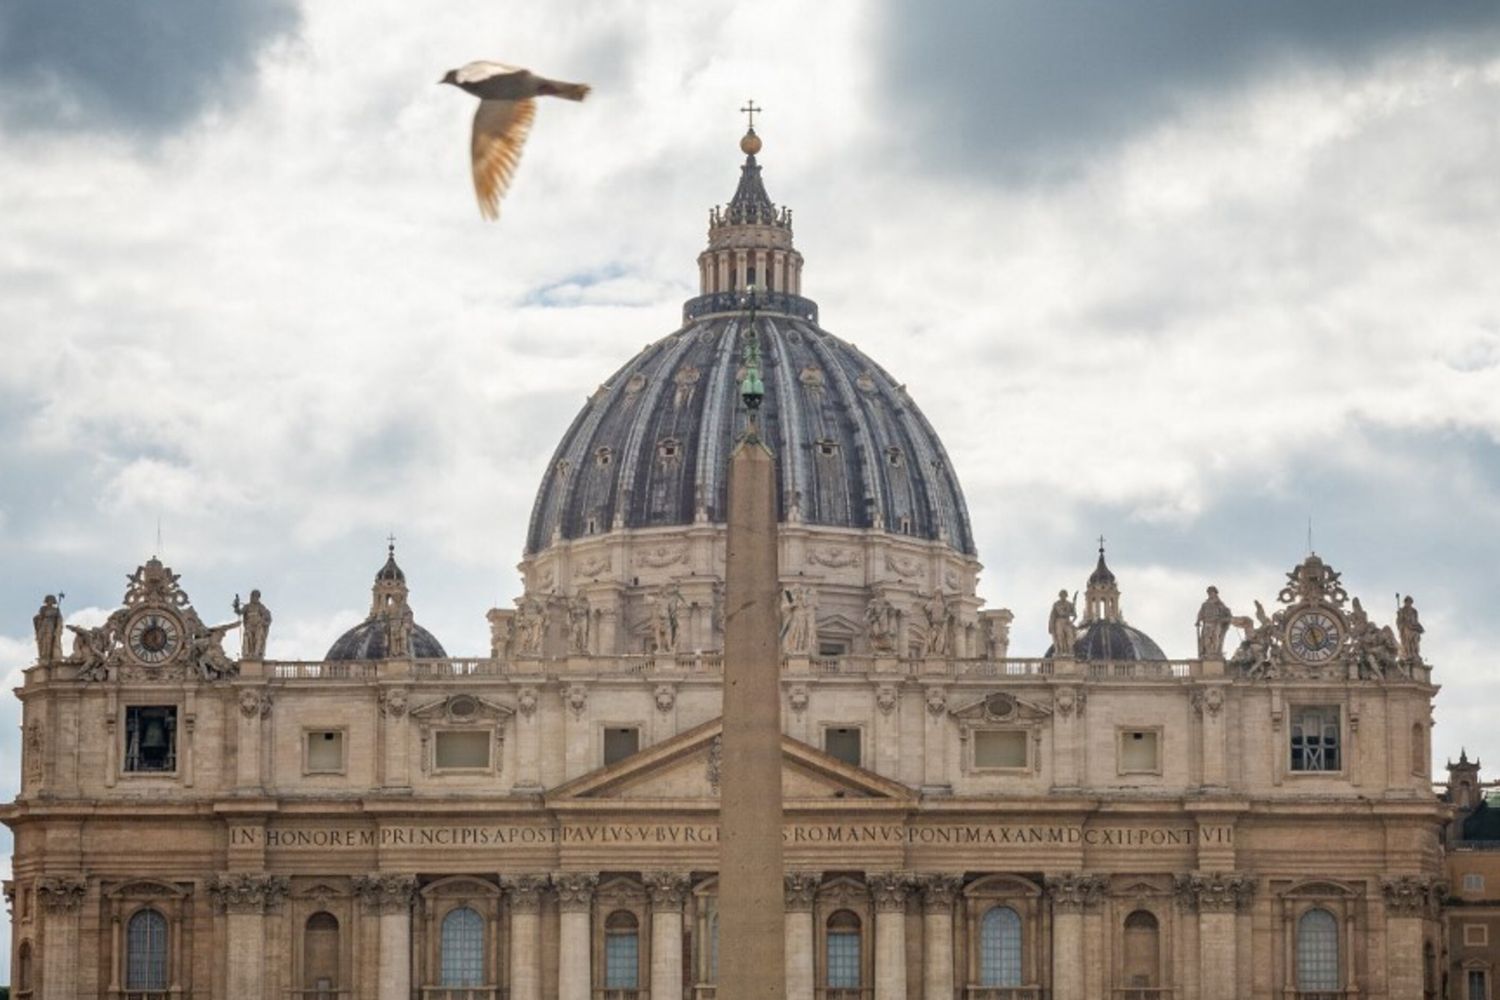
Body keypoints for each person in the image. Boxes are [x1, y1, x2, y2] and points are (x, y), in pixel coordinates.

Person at [232, 590, 273, 660]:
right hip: (249, 626)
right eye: (252, 595)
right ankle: (247, 655)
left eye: (255, 596)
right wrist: (236, 606)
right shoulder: (247, 606)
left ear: (258, 597)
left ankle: (257, 655)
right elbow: (239, 612)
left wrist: (264, 622)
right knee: (247, 639)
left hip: (258, 626)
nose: (253, 597)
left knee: (258, 639)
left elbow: (267, 618)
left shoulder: (261, 607)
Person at [1195, 586, 1233, 659]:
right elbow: (1201, 613)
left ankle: (1214, 653)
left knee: (1215, 638)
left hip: (1216, 623)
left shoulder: (1219, 603)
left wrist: (1227, 617)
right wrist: (1198, 620)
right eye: (1209, 592)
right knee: (1206, 638)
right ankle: (1208, 653)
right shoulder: (1205, 604)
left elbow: (1227, 612)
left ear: (1215, 593)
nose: (1210, 594)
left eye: (1211, 592)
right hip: (1207, 623)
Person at [33, 594, 64, 663]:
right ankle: (43, 656)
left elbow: (59, 620)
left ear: (53, 601)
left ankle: (48, 656)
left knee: (49, 640)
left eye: (51, 600)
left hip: (51, 626)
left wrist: (58, 627)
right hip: (43, 626)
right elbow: (39, 618)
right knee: (42, 641)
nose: (50, 602)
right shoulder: (43, 608)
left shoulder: (56, 610)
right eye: (49, 600)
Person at [1049, 589, 1077, 657]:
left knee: (1070, 636)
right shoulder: (1056, 604)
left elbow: (1074, 615)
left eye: (1064, 595)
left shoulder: (1069, 604)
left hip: (1067, 621)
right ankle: (1060, 651)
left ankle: (1069, 650)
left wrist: (1071, 621)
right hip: (1059, 621)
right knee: (1059, 636)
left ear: (1066, 596)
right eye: (1062, 595)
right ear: (1060, 596)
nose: (1063, 596)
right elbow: (1052, 615)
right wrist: (1051, 625)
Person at [1396, 595, 1424, 662]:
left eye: (1410, 602)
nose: (1409, 603)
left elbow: (1416, 620)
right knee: (1408, 638)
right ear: (1405, 602)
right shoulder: (1402, 610)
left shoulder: (1414, 611)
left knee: (1416, 637)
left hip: (1413, 627)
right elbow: (1399, 621)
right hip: (1406, 627)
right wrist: (1399, 615)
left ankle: (1415, 653)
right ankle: (1408, 653)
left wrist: (1419, 627)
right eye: (1407, 602)